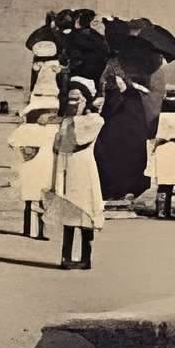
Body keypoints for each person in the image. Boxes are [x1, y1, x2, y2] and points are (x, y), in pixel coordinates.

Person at [47, 84, 105, 269]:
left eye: (77, 99)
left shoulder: (94, 120)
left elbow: (77, 141)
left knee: (85, 211)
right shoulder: (66, 121)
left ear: (85, 100)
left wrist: (73, 119)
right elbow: (58, 145)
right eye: (70, 99)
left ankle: (86, 257)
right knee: (69, 211)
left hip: (83, 169)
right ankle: (66, 256)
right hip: (67, 168)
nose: (72, 104)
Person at [95, 69, 151, 203]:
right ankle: (127, 190)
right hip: (127, 139)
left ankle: (118, 191)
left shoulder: (124, 98)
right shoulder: (133, 97)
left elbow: (108, 110)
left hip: (120, 138)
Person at [9, 97, 60, 239]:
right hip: (38, 168)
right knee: (36, 199)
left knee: (36, 199)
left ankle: (35, 230)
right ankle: (35, 230)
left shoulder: (46, 129)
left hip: (39, 168)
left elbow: (12, 142)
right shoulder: (47, 129)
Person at [150, 85, 175, 219]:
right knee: (170, 182)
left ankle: (161, 209)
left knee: (163, 181)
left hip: (162, 147)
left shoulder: (159, 117)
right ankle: (166, 209)